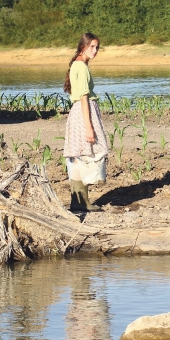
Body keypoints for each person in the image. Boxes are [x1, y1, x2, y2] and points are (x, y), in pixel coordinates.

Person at [63, 33, 108, 213]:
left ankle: (79, 201)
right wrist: (89, 126)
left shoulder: (78, 64)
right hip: (83, 114)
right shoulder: (80, 66)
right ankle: (80, 201)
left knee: (79, 155)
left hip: (80, 113)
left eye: (97, 47)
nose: (95, 51)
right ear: (83, 46)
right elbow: (83, 97)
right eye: (91, 47)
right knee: (83, 153)